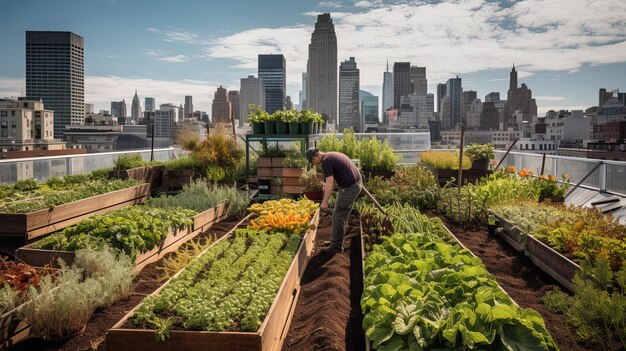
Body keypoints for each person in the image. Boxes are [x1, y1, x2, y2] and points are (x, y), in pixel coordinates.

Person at [306, 147, 362, 255]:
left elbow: (330, 182)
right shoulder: (331, 155)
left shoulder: (326, 161)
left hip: (350, 188)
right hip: (354, 184)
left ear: (314, 157)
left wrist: (324, 202)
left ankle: (336, 246)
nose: (314, 164)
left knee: (338, 215)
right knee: (341, 213)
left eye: (312, 162)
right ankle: (336, 241)